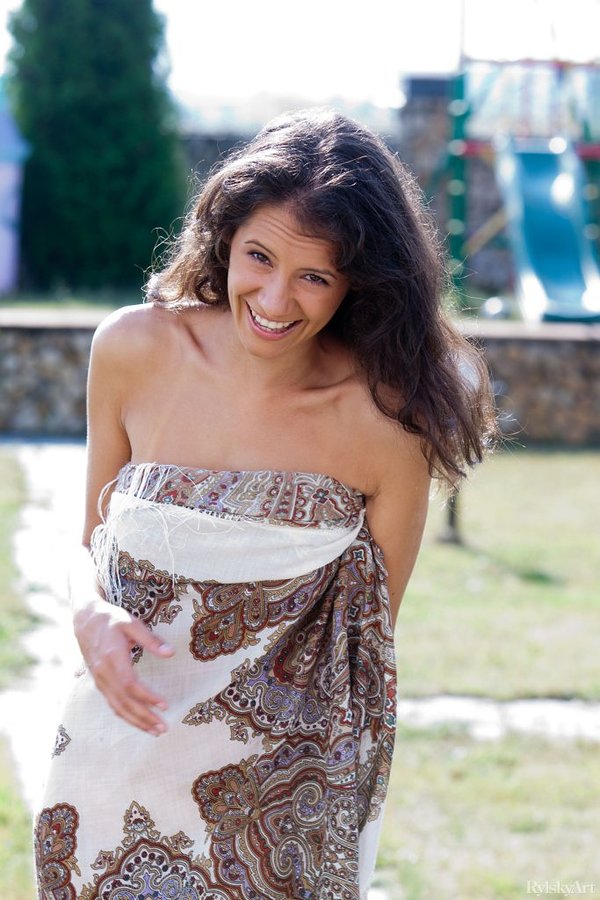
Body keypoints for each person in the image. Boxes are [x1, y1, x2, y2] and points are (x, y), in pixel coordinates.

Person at [34, 108, 494, 899]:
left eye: (315, 276)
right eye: (260, 256)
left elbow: (368, 643)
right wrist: (89, 612)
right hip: (109, 766)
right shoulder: (134, 349)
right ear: (225, 239)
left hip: (278, 810)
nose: (276, 299)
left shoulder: (387, 424)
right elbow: (90, 542)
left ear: (359, 282)